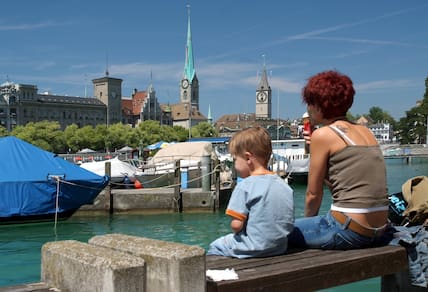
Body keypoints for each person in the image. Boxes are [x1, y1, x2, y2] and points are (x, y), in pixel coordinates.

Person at [288, 70, 392, 250]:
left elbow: (313, 194)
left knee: (274, 232)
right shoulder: (366, 132)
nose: (308, 109)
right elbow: (342, 185)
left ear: (320, 105)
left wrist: (308, 224)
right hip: (380, 230)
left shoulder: (323, 135)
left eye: (310, 103)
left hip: (349, 230)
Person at [207, 126, 294, 258]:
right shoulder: (283, 185)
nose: (234, 165)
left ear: (248, 158)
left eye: (235, 159)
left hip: (252, 247)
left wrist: (235, 225)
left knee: (216, 245)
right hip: (279, 247)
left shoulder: (245, 186)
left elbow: (236, 226)